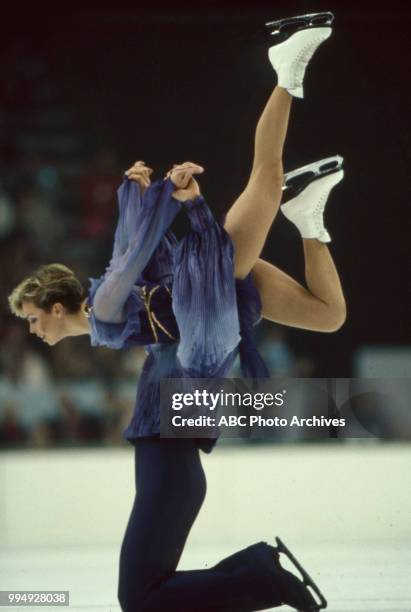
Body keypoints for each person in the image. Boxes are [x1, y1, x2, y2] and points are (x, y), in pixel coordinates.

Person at [8, 12, 345, 611]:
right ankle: (310, 218)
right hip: (218, 312)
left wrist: (153, 203)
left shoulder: (105, 305)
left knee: (265, 181)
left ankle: (286, 66)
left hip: (210, 277)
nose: (33, 331)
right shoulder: (108, 325)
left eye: (33, 318)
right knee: (329, 319)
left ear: (55, 305)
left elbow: (130, 257)